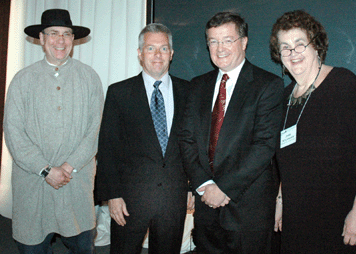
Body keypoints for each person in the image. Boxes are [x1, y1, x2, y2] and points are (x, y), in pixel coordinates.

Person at [270, 10, 356, 253]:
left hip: (341, 223)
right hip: (299, 224)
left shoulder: (343, 85)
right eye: (285, 47)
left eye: (300, 44)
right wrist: (281, 202)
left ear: (317, 46)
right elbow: (288, 160)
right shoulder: (285, 99)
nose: (293, 53)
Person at [179, 12, 283, 254]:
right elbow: (186, 139)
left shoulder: (267, 85)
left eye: (227, 40)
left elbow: (264, 146)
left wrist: (223, 188)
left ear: (244, 42)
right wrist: (204, 184)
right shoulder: (197, 86)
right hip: (206, 209)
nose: (220, 48)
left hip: (248, 211)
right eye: (213, 41)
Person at [3, 9, 104, 253]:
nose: (61, 40)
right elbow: (13, 132)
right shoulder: (22, 79)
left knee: (82, 245)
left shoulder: (89, 77)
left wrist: (67, 168)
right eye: (53, 33)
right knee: (32, 244)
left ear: (73, 39)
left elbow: (96, 129)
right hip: (33, 184)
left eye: (67, 34)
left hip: (76, 183)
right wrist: (46, 170)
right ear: (41, 38)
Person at [94, 23, 191, 254]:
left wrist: (192, 188)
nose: (157, 55)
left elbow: (194, 145)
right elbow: (108, 148)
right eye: (150, 48)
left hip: (173, 199)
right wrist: (113, 196)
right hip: (128, 201)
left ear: (172, 53)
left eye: (163, 48)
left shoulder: (189, 92)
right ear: (140, 53)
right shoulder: (119, 93)